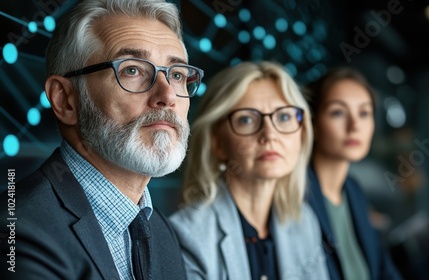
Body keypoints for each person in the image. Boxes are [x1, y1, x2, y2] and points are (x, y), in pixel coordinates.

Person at [0, 0, 204, 279]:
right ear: (65, 100)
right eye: (132, 70)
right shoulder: (18, 231)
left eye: (178, 74)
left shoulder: (160, 231)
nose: (167, 96)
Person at [169, 61, 329, 280]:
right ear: (217, 143)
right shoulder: (187, 235)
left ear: (302, 134)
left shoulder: (305, 222)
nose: (269, 134)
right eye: (246, 119)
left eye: (283, 117)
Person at [305, 67, 402, 280]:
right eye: (338, 112)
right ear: (313, 122)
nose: (354, 126)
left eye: (364, 113)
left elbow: (383, 268)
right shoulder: (295, 194)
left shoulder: (354, 190)